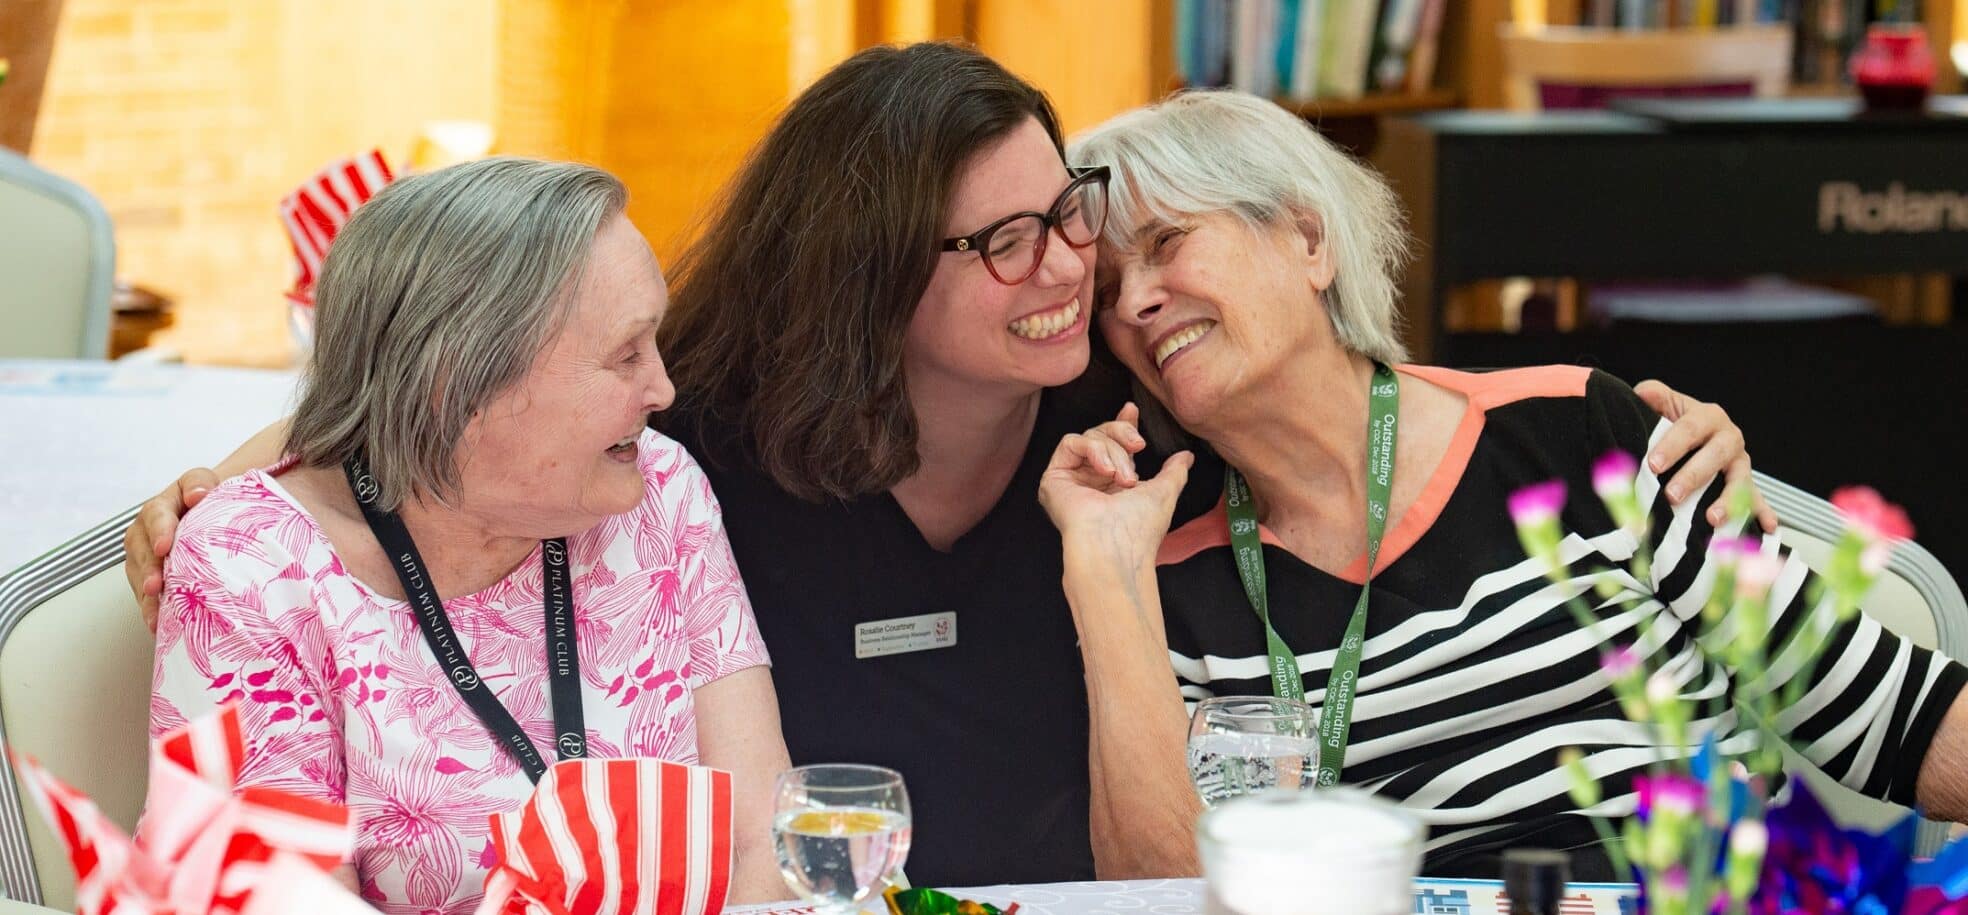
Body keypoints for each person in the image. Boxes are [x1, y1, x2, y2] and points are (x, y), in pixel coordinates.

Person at [122, 43, 1765, 886]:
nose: (1065, 270)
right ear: (869, 274)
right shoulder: (698, 456)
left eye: (1067, 216)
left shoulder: (1120, 429)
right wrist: (244, 479)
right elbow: (486, 393)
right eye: (998, 243)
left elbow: (1360, 397)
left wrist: (1628, 416)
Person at [1037, 89, 1968, 880]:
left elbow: (1892, 718)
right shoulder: (1178, 578)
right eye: (1110, 286)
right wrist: (1101, 570)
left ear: (1308, 240)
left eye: (1166, 244)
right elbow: (1160, 893)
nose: (1134, 303)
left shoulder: (1578, 433)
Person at [145, 158, 790, 912]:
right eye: (625, 354)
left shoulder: (657, 494)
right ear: (463, 382)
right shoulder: (254, 568)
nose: (663, 389)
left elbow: (762, 838)